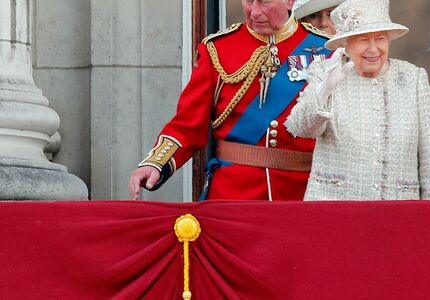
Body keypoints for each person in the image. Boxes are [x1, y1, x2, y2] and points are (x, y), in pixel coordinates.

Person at [128, 0, 333, 201]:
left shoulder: (326, 50)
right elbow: (187, 124)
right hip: (234, 193)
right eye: (248, 1)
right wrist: (155, 163)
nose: (254, 12)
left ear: (290, 2)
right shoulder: (219, 48)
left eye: (263, 2)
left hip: (303, 193)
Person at [285, 0, 430, 200]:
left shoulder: (412, 77)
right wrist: (323, 91)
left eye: (380, 38)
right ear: (345, 43)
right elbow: (301, 128)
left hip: (399, 210)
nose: (373, 49)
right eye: (363, 40)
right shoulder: (325, 73)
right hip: (336, 211)